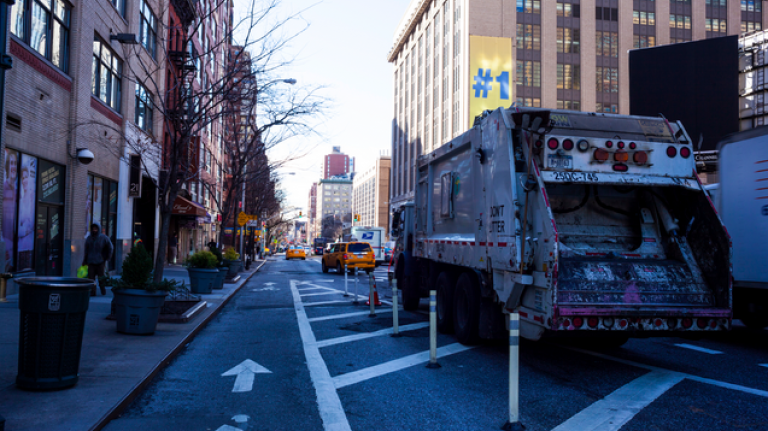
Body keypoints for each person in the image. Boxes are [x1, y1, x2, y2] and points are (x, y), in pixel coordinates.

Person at [83, 222, 113, 296]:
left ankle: (103, 289)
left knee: (101, 277)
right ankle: (93, 291)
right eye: (93, 229)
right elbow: (86, 250)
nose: (94, 230)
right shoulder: (89, 239)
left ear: (98, 229)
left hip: (100, 261)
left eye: (96, 229)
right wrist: (85, 260)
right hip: (91, 261)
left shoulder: (104, 238)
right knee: (91, 278)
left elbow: (110, 247)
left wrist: (107, 257)